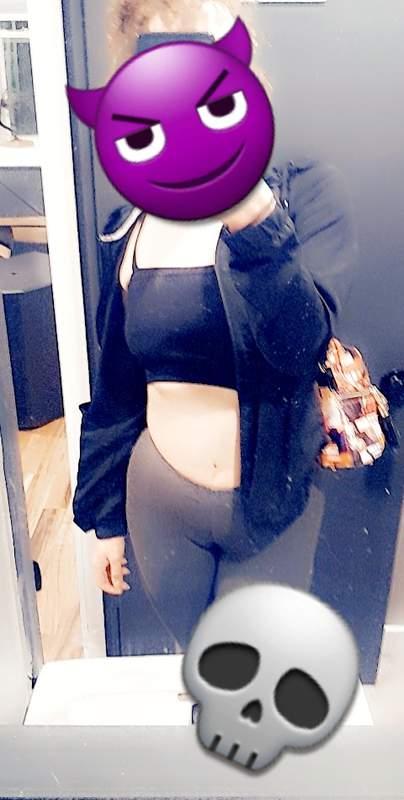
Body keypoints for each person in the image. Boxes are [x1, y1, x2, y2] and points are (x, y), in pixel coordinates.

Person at [72, 0, 358, 651]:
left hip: (271, 505)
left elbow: (303, 348)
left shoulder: (304, 196)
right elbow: (116, 389)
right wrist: (105, 519)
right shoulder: (130, 224)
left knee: (251, 671)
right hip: (159, 500)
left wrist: (252, 215)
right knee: (196, 662)